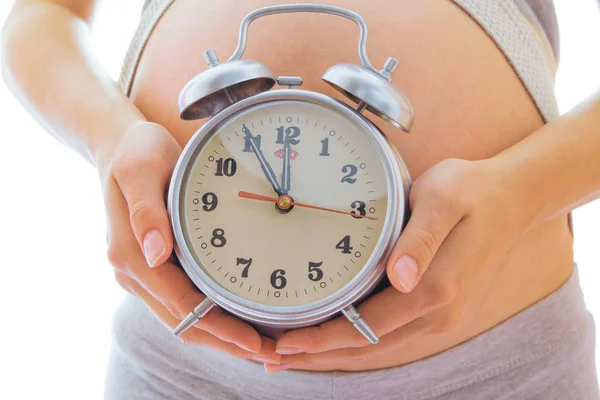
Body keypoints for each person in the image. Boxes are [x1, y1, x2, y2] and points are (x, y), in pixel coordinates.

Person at [2, 0, 600, 398]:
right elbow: (40, 12)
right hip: (183, 366)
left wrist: (517, 193)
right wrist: (111, 137)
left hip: (487, 367)